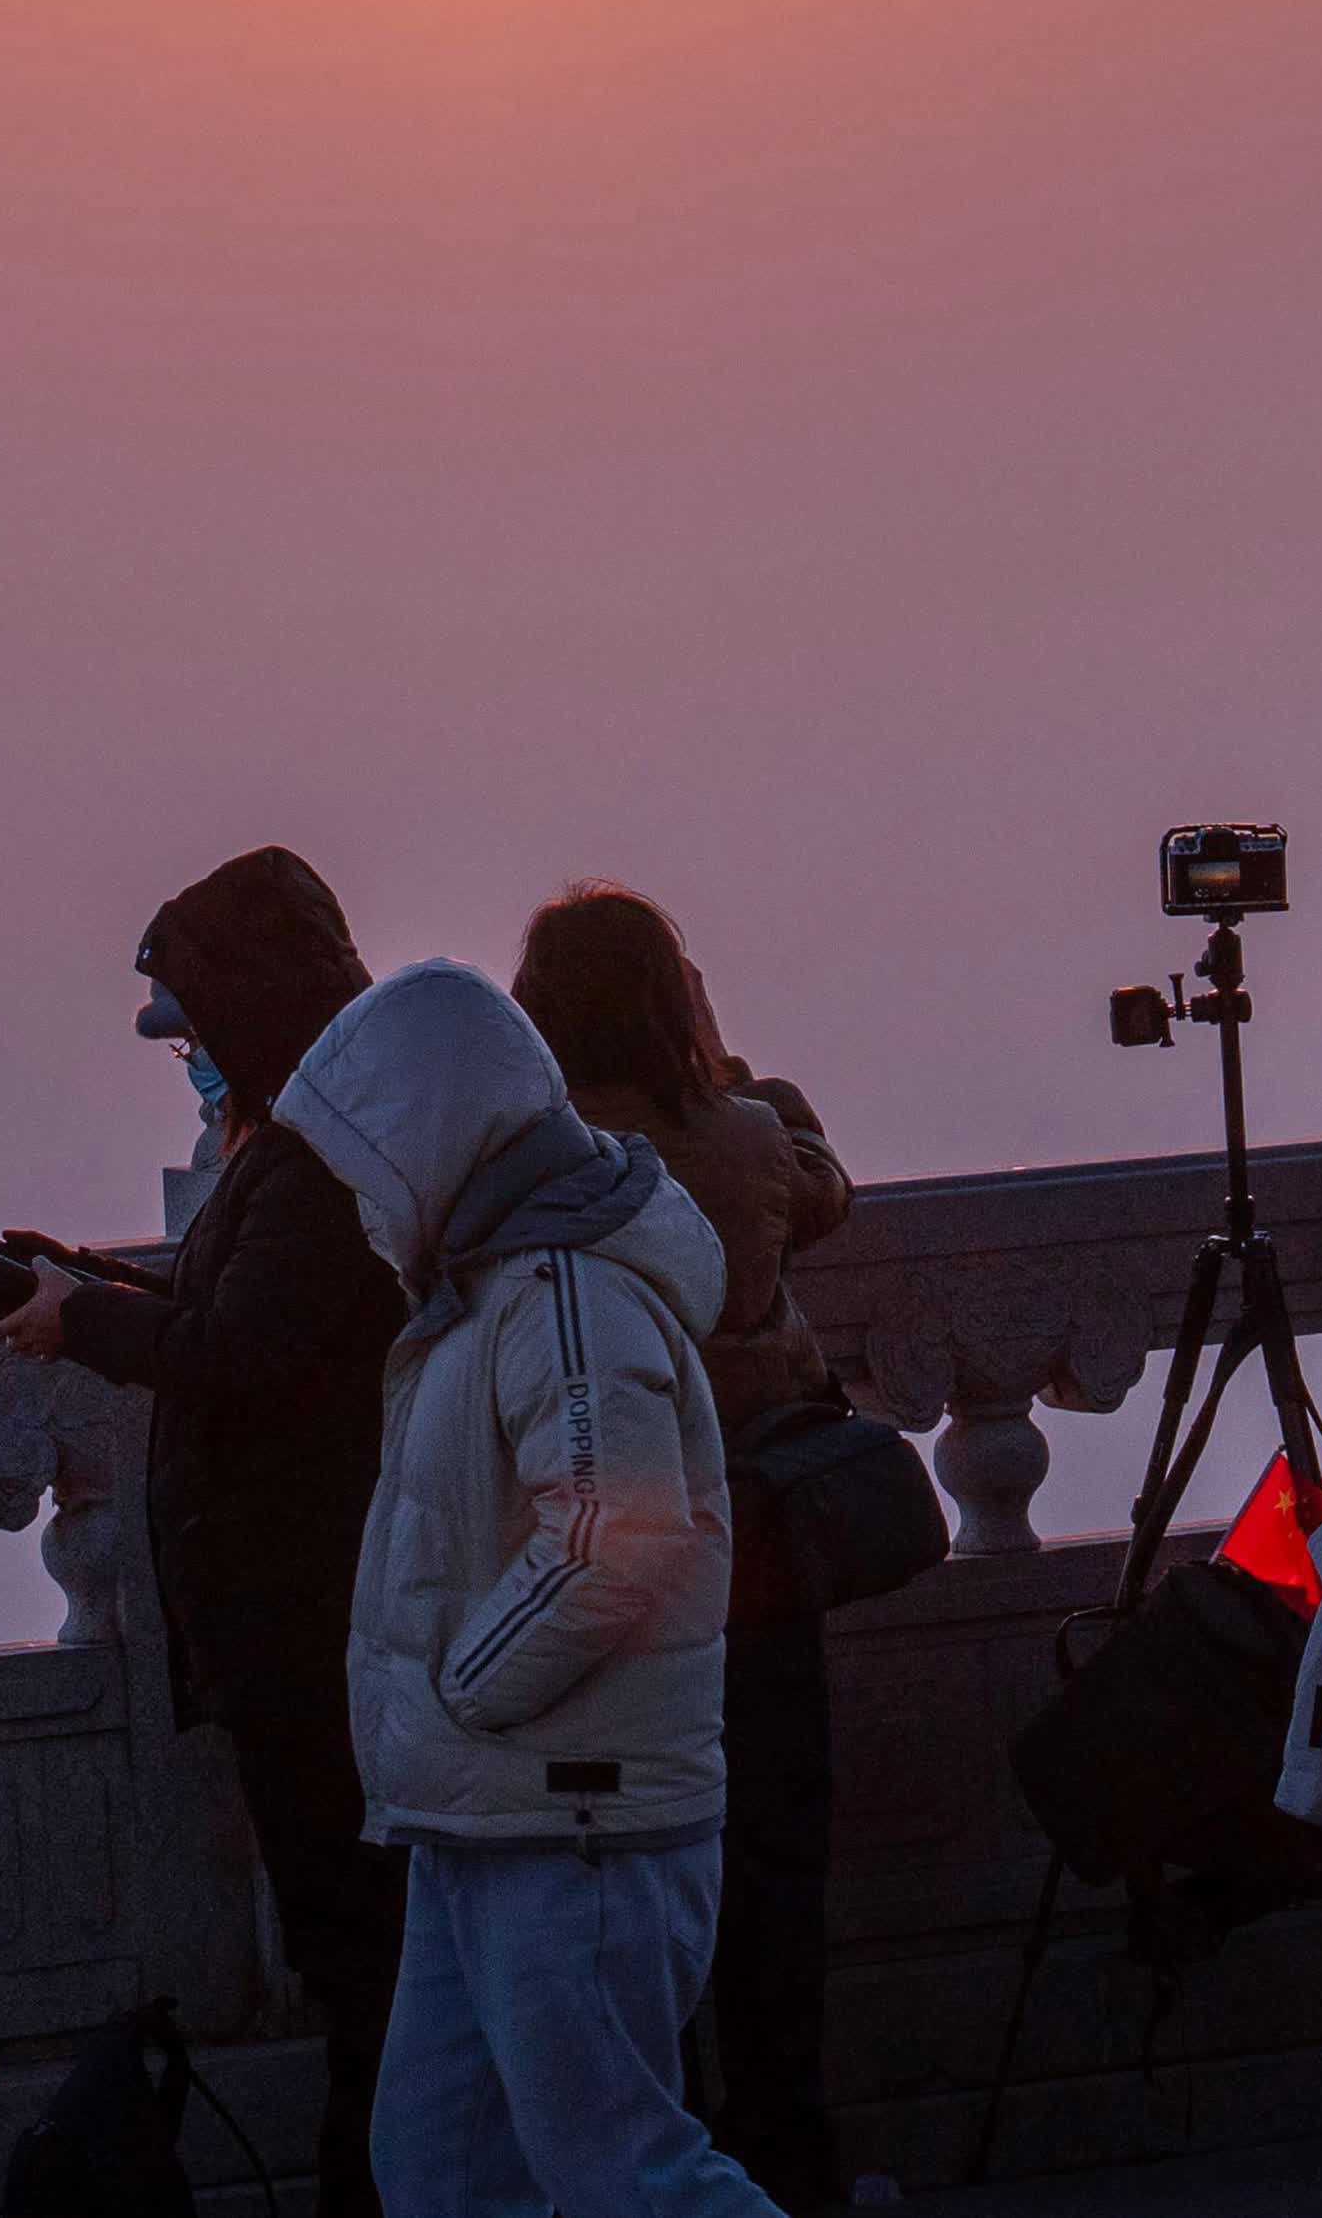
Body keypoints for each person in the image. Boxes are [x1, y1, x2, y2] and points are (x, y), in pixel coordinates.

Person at [275, 954, 778, 2218]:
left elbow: (615, 1531)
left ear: (428, 1137)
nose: (358, 1203)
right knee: (443, 2168)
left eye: (363, 1165)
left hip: (572, 1819)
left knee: (624, 2172)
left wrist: (467, 1692)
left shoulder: (561, 1285)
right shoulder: (499, 1283)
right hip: (493, 1816)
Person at [0, 851, 411, 2218]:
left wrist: (85, 1320)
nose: (188, 1063)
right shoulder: (305, 1143)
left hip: (318, 1624)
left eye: (193, 1034)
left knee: (369, 1963)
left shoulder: (318, 1155)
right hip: (296, 1624)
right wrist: (95, 1279)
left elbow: (244, 1348)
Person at [512, 885, 860, 2215]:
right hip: (753, 1561)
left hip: (597, 1574)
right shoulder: (745, 1135)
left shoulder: (533, 1157)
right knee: (774, 1865)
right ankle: (786, 2163)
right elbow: (827, 1188)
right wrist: (724, 1064)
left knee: (621, 1892)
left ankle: (644, 2167)